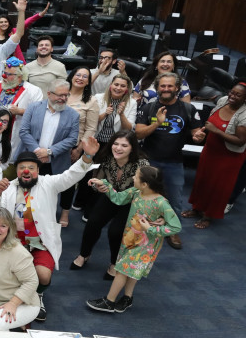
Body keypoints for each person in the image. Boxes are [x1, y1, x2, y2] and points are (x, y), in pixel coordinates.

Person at [0, 137, 100, 322]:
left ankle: (38, 296)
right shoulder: (8, 187)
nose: (26, 171)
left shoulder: (49, 183)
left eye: (31, 168)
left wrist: (87, 156)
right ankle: (16, 296)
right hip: (14, 244)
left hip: (40, 244)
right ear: (17, 171)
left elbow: (71, 176)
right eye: (22, 168)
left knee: (43, 275)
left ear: (38, 170)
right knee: (8, 276)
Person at [86, 166, 181, 313]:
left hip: (145, 245)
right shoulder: (136, 192)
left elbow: (175, 227)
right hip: (129, 240)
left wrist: (151, 229)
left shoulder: (162, 203)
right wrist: (104, 184)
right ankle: (127, 298)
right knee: (131, 270)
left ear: (145, 184)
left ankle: (109, 301)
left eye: (136, 177)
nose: (133, 178)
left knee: (122, 270)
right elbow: (118, 198)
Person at [135, 72, 204, 249]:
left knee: (175, 200)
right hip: (149, 162)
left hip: (175, 162)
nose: (166, 89)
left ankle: (172, 232)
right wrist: (157, 123)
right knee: (144, 198)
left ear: (177, 88)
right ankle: (141, 229)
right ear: (157, 88)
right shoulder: (148, 108)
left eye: (170, 86)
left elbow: (196, 133)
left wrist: (197, 136)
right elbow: (138, 133)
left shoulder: (188, 109)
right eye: (162, 86)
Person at [72, 130, 148, 276]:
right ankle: (84, 254)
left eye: (124, 145)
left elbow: (144, 190)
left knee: (116, 231)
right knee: (92, 223)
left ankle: (114, 263)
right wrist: (98, 186)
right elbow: (97, 180)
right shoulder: (107, 158)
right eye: (116, 144)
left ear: (132, 147)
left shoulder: (142, 164)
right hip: (110, 196)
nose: (118, 148)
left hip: (131, 201)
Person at [183, 81, 246, 229]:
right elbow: (210, 122)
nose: (232, 96)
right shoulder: (223, 101)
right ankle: (196, 208)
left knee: (218, 186)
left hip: (229, 156)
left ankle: (208, 215)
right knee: (202, 179)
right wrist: (202, 133)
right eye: (232, 92)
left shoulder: (244, 114)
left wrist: (216, 131)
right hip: (210, 150)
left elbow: (240, 141)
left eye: (238, 95)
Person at [0, 59, 44, 168]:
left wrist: (21, 111)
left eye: (9, 74)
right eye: (4, 73)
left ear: (20, 76)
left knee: (7, 167)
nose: (4, 76)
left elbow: (40, 115)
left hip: (14, 138)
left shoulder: (33, 91)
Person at [58, 67, 100, 225]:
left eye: (85, 76)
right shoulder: (61, 93)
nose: (80, 78)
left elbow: (91, 128)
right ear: (71, 76)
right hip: (53, 146)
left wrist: (79, 150)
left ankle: (65, 213)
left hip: (73, 148)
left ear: (89, 81)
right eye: (78, 75)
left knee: (68, 183)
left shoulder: (91, 100)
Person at [18, 80, 80, 179]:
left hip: (55, 165)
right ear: (49, 94)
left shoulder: (73, 115)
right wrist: (38, 151)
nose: (63, 99)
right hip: (29, 160)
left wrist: (49, 152)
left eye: (66, 95)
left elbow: (72, 139)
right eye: (60, 95)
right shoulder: (33, 108)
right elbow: (24, 131)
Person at [94, 73, 136, 146]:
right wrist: (105, 114)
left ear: (126, 89)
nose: (118, 88)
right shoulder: (98, 98)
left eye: (123, 86)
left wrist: (122, 114)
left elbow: (128, 129)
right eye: (116, 84)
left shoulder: (132, 103)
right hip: (96, 140)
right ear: (111, 85)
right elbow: (91, 121)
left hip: (116, 144)